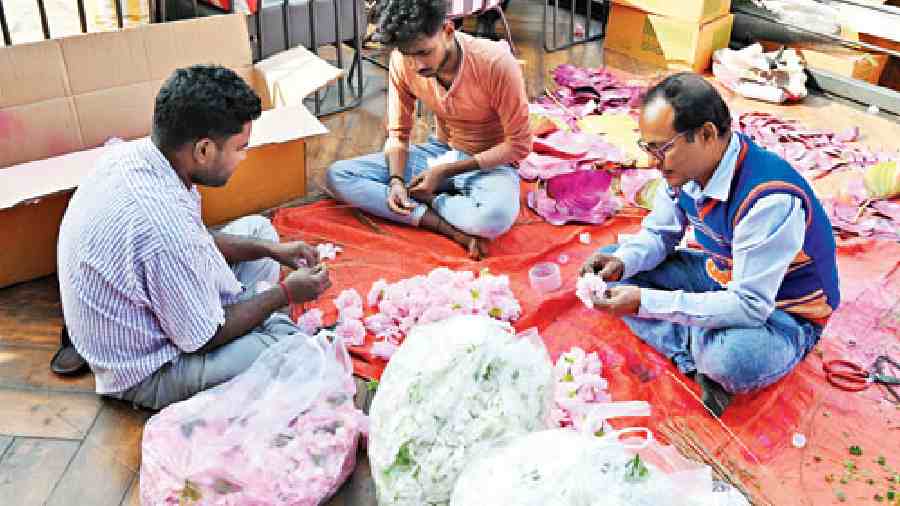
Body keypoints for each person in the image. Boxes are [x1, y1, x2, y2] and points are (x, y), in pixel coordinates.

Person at [56, 65, 331, 410]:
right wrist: (285, 294)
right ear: (203, 151)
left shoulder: (134, 158)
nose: (244, 157)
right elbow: (203, 339)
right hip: (151, 371)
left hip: (143, 308)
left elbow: (196, 240)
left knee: (259, 232)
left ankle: (246, 314)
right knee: (292, 348)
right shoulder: (163, 228)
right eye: (240, 148)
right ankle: (256, 325)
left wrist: (273, 250)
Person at [581, 73, 840, 416]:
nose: (653, 161)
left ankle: (701, 352)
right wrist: (625, 261)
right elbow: (660, 234)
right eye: (648, 148)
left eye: (663, 148)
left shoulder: (768, 200)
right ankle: (698, 344)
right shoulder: (683, 171)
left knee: (731, 359)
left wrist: (646, 302)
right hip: (721, 274)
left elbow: (750, 305)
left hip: (783, 311)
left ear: (706, 134)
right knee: (612, 265)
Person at [326, 0, 532, 259]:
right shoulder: (402, 61)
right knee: (339, 175)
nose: (417, 65)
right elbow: (398, 134)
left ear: (448, 31)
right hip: (441, 153)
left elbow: (520, 145)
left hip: (490, 164)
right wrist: (396, 180)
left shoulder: (495, 63)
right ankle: (446, 226)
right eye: (408, 54)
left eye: (424, 52)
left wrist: (445, 172)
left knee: (492, 219)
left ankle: (430, 199)